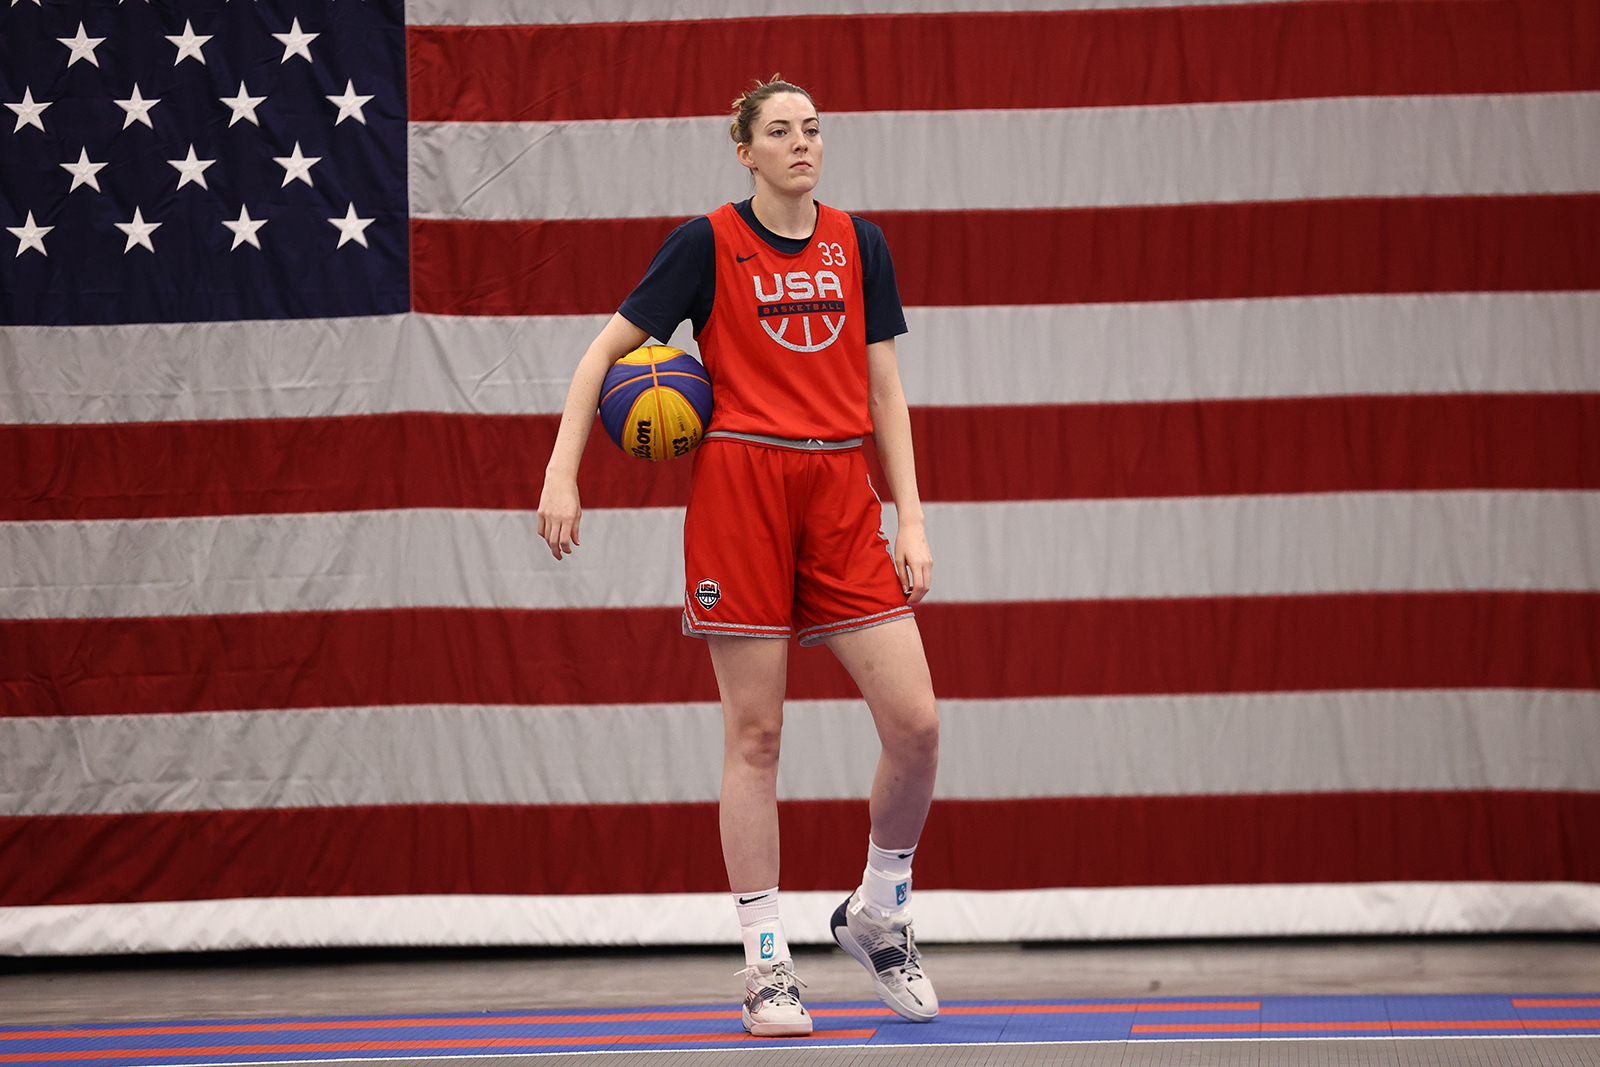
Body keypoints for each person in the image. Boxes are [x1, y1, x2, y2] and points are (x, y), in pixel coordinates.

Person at [536, 75, 940, 1038]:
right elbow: (603, 354)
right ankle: (765, 962)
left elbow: (885, 392)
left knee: (917, 723)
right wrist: (564, 471)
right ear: (744, 149)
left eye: (813, 130)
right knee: (755, 737)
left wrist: (911, 517)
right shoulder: (705, 242)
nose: (803, 143)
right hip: (742, 491)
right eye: (781, 132)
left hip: (841, 491)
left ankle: (880, 907)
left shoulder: (860, 242)